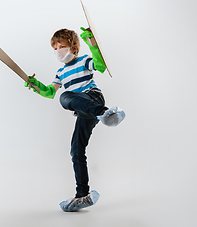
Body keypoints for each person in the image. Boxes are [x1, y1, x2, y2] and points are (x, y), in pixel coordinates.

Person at [25, 28, 125, 212]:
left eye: (62, 46)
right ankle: (82, 195)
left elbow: (100, 67)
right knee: (76, 151)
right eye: (55, 48)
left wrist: (93, 45)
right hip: (85, 112)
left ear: (74, 47)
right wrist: (36, 85)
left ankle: (104, 113)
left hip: (93, 98)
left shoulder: (84, 60)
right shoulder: (60, 72)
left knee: (65, 97)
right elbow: (49, 92)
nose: (59, 51)